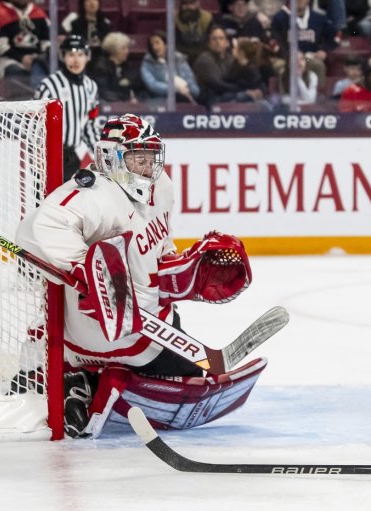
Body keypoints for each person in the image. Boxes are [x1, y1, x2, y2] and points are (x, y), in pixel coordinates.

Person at [15, 114, 261, 438]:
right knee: (182, 372)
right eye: (138, 158)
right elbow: (36, 228)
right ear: (110, 157)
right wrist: (80, 266)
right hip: (101, 328)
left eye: (151, 157)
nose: (147, 167)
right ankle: (79, 376)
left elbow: (160, 243)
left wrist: (178, 270)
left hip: (149, 321)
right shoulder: (94, 194)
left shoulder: (162, 185)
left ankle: (79, 378)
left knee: (187, 367)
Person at [34, 35, 101, 182]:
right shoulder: (49, 85)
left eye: (80, 55)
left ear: (87, 57)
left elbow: (90, 124)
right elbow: (36, 124)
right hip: (48, 155)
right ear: (62, 57)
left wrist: (99, 153)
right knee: (46, 196)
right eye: (71, 55)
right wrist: (38, 152)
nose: (76, 60)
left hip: (72, 157)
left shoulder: (91, 86)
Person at [193, 26, 265, 107]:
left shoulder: (231, 58)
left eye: (221, 38)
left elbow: (246, 78)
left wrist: (258, 90)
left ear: (227, 42)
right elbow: (218, 84)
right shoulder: (204, 59)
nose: (218, 41)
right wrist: (245, 91)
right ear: (209, 44)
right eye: (214, 39)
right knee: (246, 97)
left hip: (231, 95)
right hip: (213, 98)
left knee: (262, 104)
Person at [271, 0, 338, 87]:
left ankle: (319, 93)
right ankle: (284, 93)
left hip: (308, 58)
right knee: (279, 66)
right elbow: (274, 41)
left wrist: (324, 50)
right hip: (286, 59)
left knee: (318, 65)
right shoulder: (279, 18)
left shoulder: (319, 18)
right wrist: (289, 55)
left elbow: (335, 37)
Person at [0, 0, 51, 91]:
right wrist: (21, 58)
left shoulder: (39, 14)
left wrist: (40, 57)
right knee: (15, 73)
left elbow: (46, 41)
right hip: (10, 59)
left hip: (36, 57)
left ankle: (41, 98)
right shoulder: (2, 13)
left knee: (46, 70)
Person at [141, 31, 201, 103]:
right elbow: (152, 85)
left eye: (157, 42)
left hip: (184, 97)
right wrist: (175, 89)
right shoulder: (147, 63)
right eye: (152, 44)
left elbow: (191, 80)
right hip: (160, 99)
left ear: (165, 43)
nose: (154, 47)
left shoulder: (179, 58)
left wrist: (189, 90)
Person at [90, 32, 144, 103]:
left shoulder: (127, 65)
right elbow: (104, 92)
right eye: (123, 48)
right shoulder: (101, 67)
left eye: (127, 48)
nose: (127, 51)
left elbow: (138, 86)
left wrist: (137, 98)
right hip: (110, 104)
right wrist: (126, 100)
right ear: (113, 51)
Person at [175, 0, 215, 65]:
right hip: (182, 56)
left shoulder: (207, 18)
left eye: (191, 3)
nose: (188, 7)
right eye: (185, 4)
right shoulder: (174, 19)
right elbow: (175, 44)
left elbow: (209, 42)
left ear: (198, 3)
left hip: (203, 55)